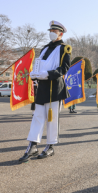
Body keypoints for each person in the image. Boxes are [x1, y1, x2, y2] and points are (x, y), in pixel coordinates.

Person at [20, 21, 71, 163]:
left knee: (52, 119)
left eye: (54, 31)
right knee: (37, 117)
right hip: (42, 88)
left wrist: (47, 74)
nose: (52, 32)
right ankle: (33, 145)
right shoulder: (44, 48)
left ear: (61, 33)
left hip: (55, 88)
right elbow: (39, 65)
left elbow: (64, 68)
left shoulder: (65, 48)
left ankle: (50, 145)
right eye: (51, 30)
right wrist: (34, 74)